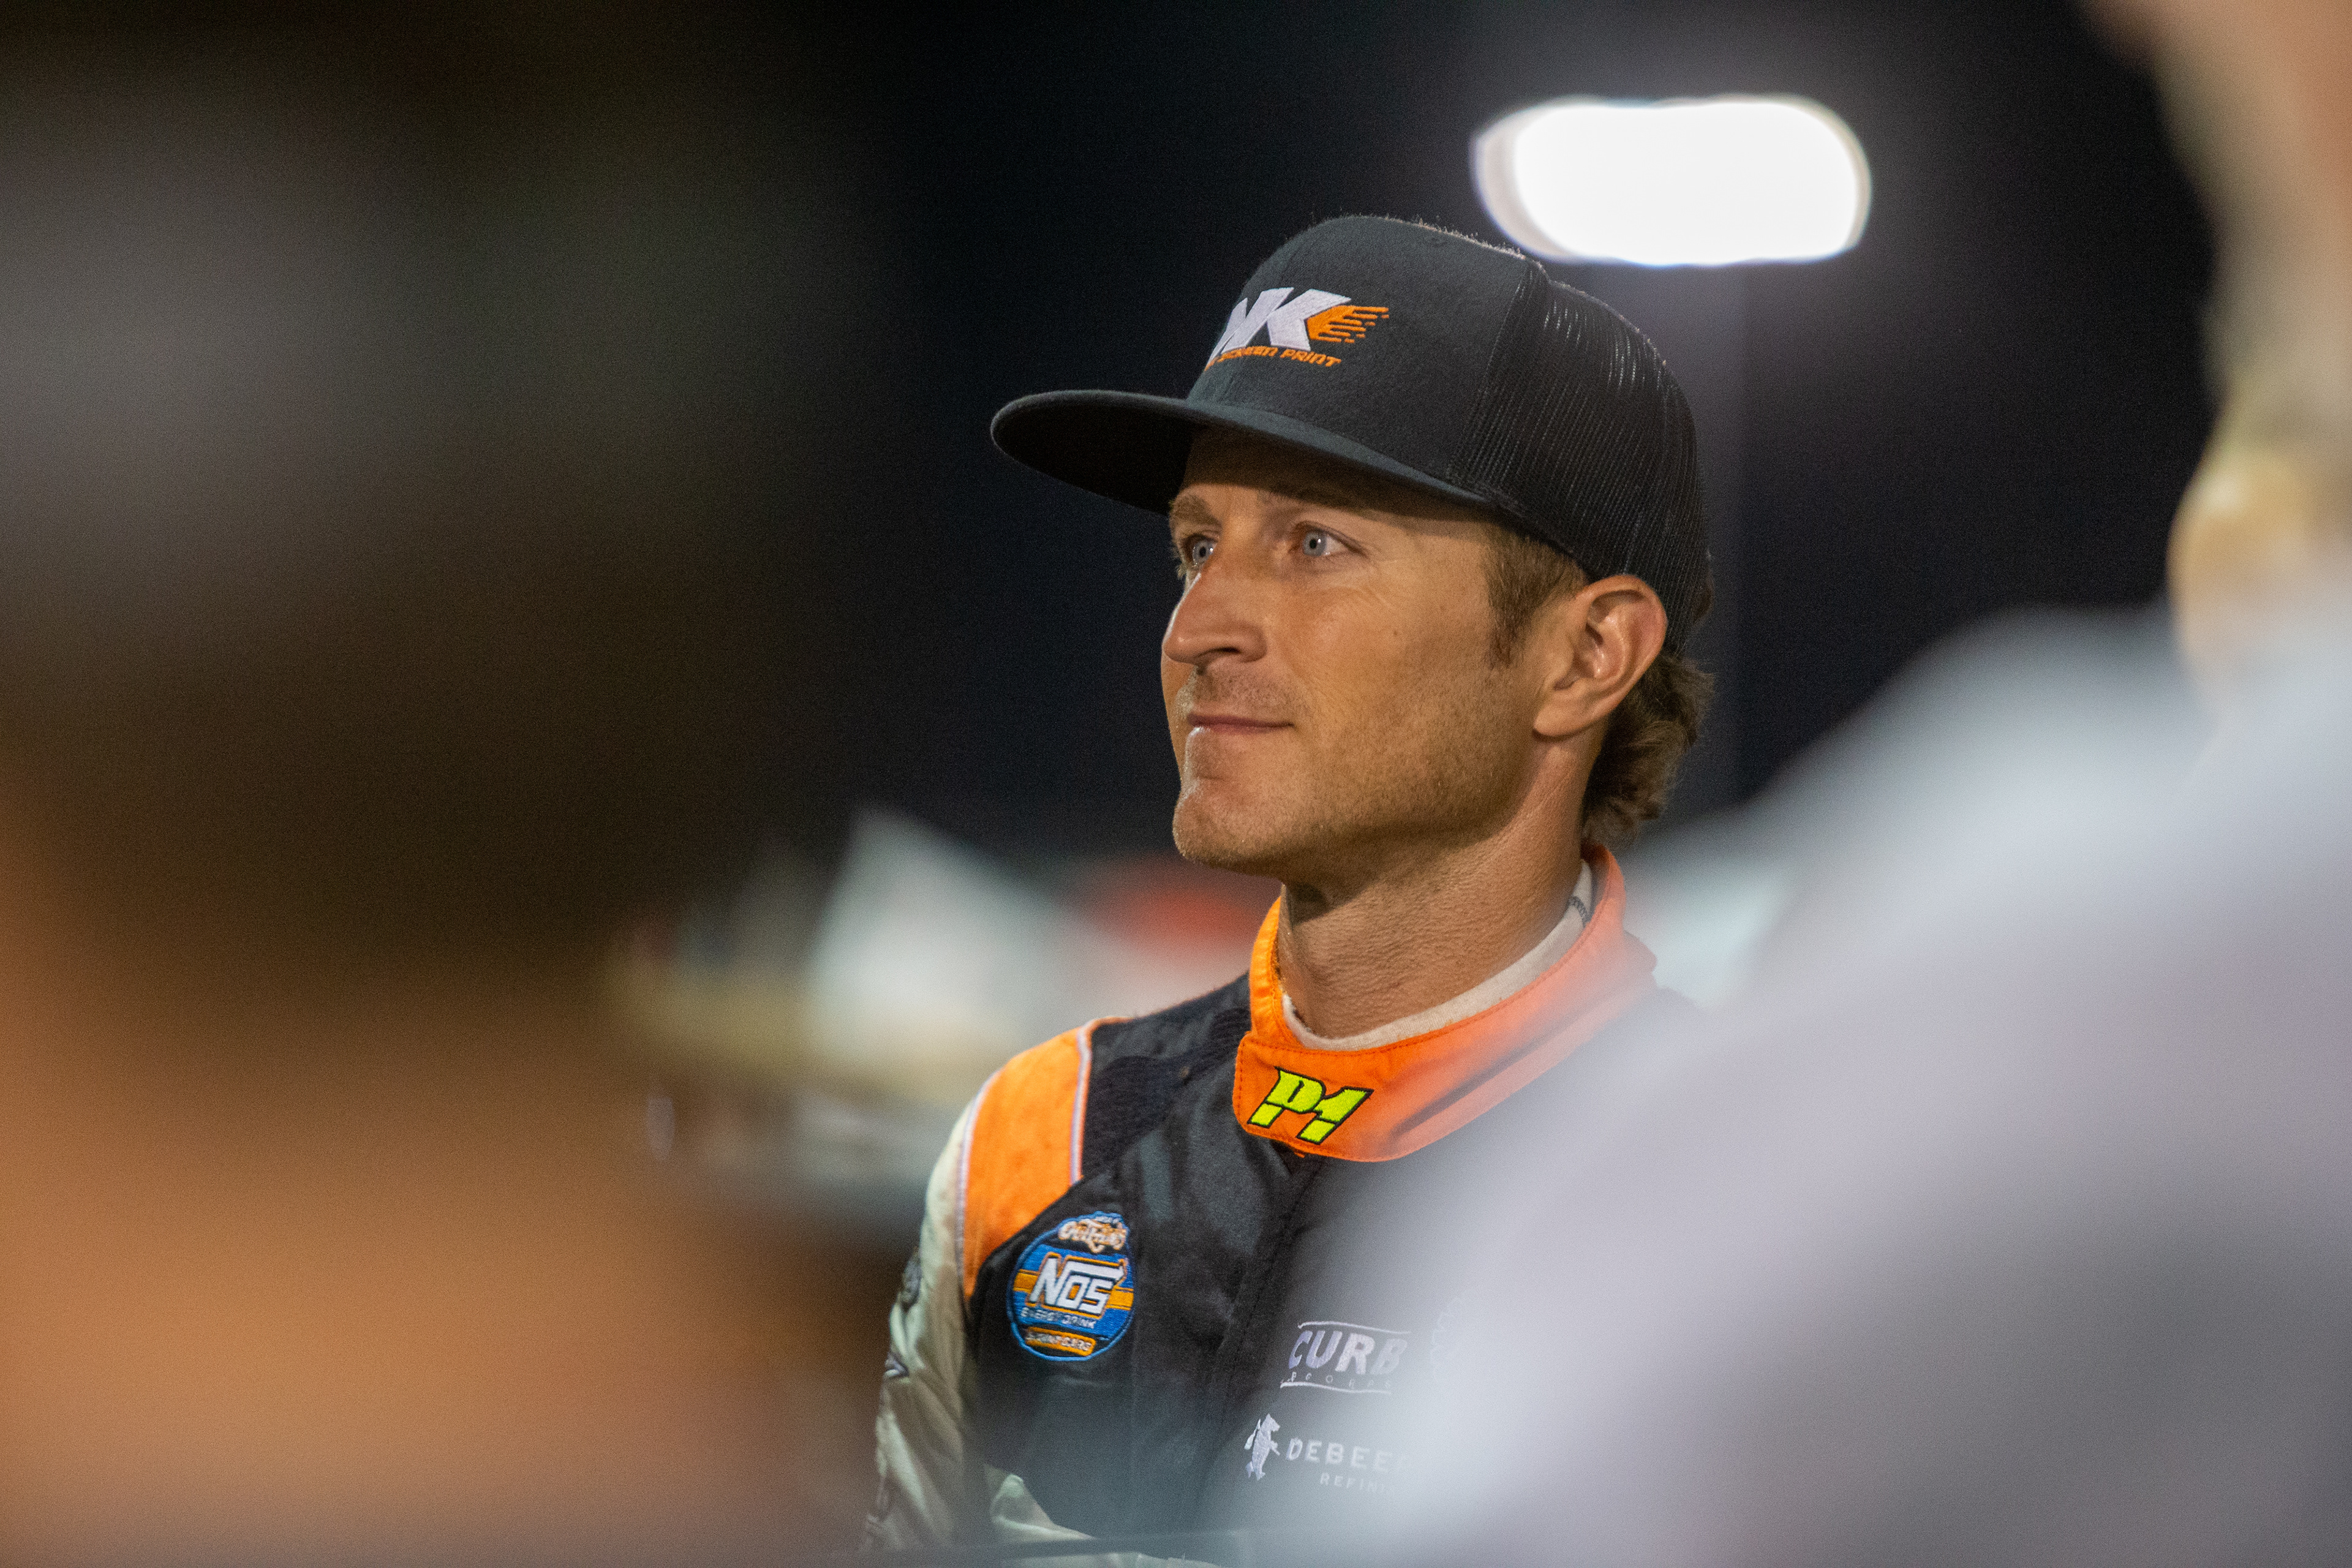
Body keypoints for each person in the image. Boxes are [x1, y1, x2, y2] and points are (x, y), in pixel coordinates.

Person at [865, 215, 1714, 1553]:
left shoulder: (1753, 1188)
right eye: (1198, 547)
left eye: (1315, 544)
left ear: (1586, 654)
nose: (1199, 629)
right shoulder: (1042, 1138)